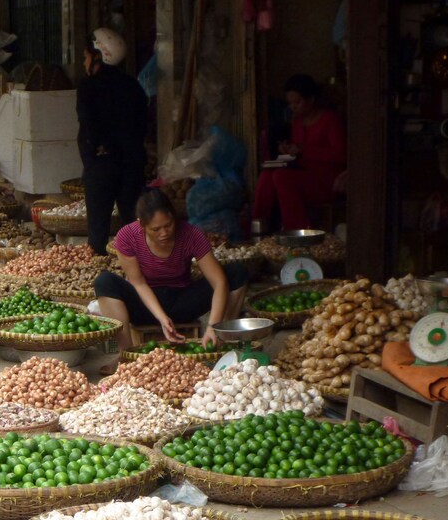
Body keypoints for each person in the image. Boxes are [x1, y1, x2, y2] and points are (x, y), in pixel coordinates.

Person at [94, 190, 248, 368]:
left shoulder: (192, 234)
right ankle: (126, 356)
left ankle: (222, 341)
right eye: (155, 229)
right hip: (146, 305)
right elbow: (139, 283)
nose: (164, 233)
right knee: (104, 282)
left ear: (174, 218)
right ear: (141, 224)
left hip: (183, 301)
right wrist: (162, 318)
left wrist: (213, 326)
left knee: (237, 272)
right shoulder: (127, 236)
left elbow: (219, 282)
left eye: (168, 225)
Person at [77, 28, 148, 256]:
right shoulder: (133, 85)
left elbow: (88, 126)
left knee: (98, 228)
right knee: (133, 224)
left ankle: (98, 268)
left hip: (102, 165)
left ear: (98, 56)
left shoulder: (89, 87)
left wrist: (91, 156)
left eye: (86, 56)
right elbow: (143, 124)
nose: (84, 62)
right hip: (131, 164)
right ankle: (139, 268)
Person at [252, 74, 347, 231]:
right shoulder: (297, 122)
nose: (293, 107)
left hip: (327, 181)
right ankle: (257, 228)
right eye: (290, 103)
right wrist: (289, 150)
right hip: (303, 174)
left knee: (281, 177)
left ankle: (298, 233)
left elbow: (341, 155)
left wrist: (304, 150)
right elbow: (300, 153)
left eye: (297, 102)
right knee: (266, 176)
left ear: (311, 99)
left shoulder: (329, 120)